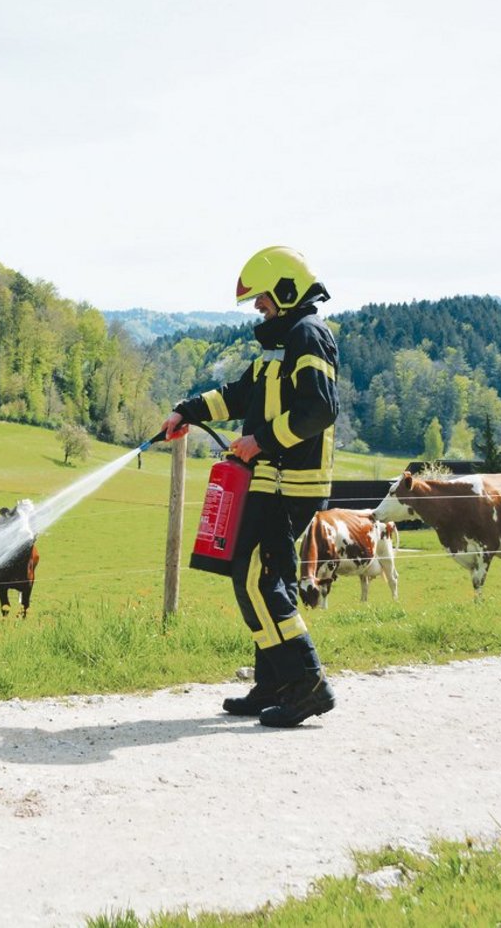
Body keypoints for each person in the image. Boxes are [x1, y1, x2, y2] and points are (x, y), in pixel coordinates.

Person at [160, 246, 340, 727]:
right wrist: (188, 410)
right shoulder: (281, 345)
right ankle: (275, 681)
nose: (259, 310)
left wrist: (260, 440)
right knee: (251, 576)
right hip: (269, 481)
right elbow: (240, 395)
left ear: (286, 289)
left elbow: (319, 410)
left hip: (293, 483)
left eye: (263, 301)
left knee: (262, 579)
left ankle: (308, 685)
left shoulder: (309, 335)